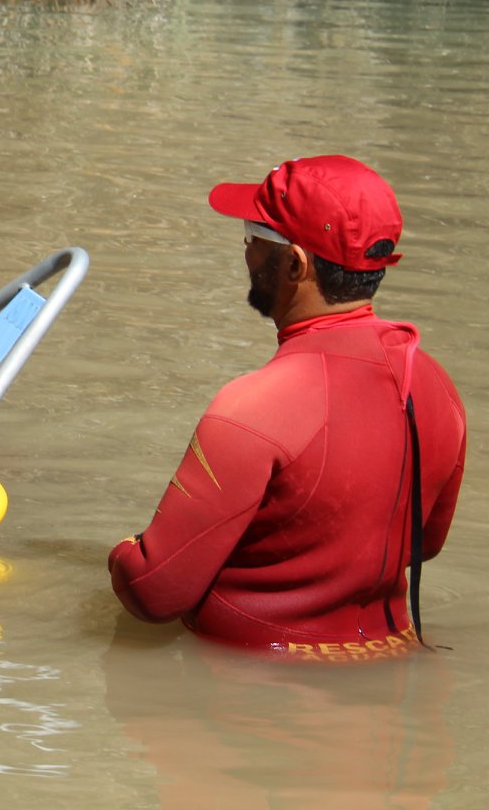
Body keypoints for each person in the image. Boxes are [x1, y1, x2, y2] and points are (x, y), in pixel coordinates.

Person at [108, 155, 467, 654]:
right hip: (390, 658)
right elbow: (426, 543)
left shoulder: (254, 406)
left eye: (254, 236)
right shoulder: (436, 385)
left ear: (295, 264)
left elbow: (152, 591)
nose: (247, 252)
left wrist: (123, 550)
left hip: (247, 681)